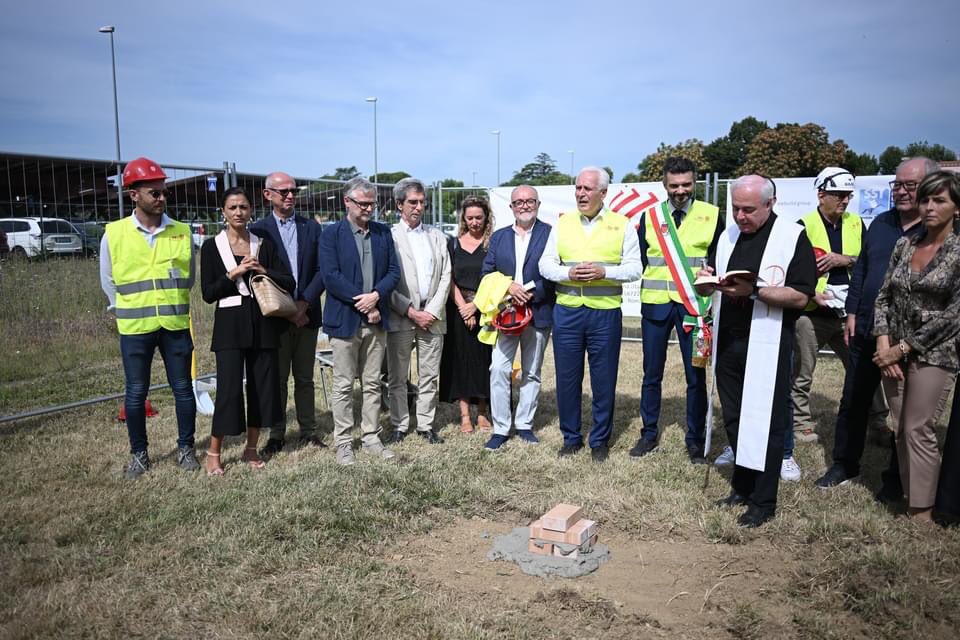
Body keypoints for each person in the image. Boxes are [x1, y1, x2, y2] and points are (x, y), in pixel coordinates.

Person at [696, 175, 816, 528]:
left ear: (770, 204)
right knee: (733, 416)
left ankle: (764, 500)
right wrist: (709, 278)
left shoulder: (791, 237)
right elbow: (719, 279)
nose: (740, 216)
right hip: (728, 339)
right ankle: (742, 486)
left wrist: (753, 291)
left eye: (748, 209)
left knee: (766, 419)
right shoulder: (727, 236)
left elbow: (800, 295)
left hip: (768, 338)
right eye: (735, 208)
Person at [814, 158, 938, 491]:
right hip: (867, 326)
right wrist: (853, 312)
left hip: (910, 334)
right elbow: (864, 271)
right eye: (896, 185)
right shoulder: (881, 223)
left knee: (906, 410)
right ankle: (844, 463)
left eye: (908, 185)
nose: (900, 191)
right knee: (853, 398)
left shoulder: (937, 231)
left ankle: (896, 479)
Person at [99, 156, 198, 479]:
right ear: (133, 195)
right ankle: (139, 455)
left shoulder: (181, 232)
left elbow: (189, 278)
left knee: (183, 389)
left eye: (163, 192)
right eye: (154, 193)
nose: (161, 198)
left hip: (174, 324)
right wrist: (125, 309)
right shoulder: (114, 234)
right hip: (135, 327)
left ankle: (186, 448)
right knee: (136, 393)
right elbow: (108, 281)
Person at [872, 170, 960, 523]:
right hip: (892, 351)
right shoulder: (904, 244)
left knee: (917, 428)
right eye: (925, 199)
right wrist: (883, 345)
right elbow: (883, 297)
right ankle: (912, 497)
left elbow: (953, 316)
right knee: (899, 426)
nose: (929, 207)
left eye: (939, 200)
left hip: (935, 353)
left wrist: (903, 348)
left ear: (957, 208)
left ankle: (922, 512)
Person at [538, 166, 643, 463]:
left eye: (587, 189)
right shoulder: (562, 224)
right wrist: (568, 273)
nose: (581, 194)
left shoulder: (622, 225)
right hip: (568, 313)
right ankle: (571, 438)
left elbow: (636, 268)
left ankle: (599, 441)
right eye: (578, 188)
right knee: (567, 379)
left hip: (605, 315)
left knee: (603, 379)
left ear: (603, 193)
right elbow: (546, 265)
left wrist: (604, 272)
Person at [631, 157, 722, 464]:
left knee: (695, 374)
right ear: (664, 185)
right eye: (674, 185)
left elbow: (718, 260)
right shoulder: (650, 216)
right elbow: (646, 259)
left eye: (686, 184)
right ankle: (648, 433)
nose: (680, 191)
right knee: (650, 374)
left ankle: (695, 439)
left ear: (694, 182)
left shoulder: (712, 215)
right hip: (656, 307)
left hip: (693, 308)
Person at [200, 188, 295, 475]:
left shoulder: (262, 244)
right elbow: (208, 293)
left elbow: (288, 281)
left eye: (243, 206)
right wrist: (234, 274)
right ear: (224, 212)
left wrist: (261, 269)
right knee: (228, 389)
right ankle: (214, 451)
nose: (239, 212)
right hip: (230, 324)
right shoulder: (211, 246)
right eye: (232, 207)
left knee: (261, 387)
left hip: (262, 322)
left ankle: (251, 449)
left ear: (251, 210)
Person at [784, 167, 865, 481]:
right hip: (812, 312)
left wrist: (844, 259)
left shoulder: (857, 224)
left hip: (849, 313)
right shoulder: (803, 225)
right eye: (839, 195)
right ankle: (800, 420)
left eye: (848, 195)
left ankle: (878, 419)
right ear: (822, 194)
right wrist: (815, 293)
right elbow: (795, 268)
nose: (845, 201)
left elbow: (867, 261)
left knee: (860, 369)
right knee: (802, 370)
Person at [318, 177, 400, 465]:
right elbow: (331, 277)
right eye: (362, 203)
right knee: (342, 385)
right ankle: (343, 441)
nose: (368, 208)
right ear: (347, 202)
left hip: (376, 320)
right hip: (345, 321)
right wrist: (365, 303)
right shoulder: (331, 235)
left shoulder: (382, 233)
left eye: (371, 203)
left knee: (373, 383)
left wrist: (376, 295)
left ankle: (371, 436)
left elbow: (393, 272)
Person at [252, 172, 326, 456]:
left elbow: (322, 270)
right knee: (278, 379)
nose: (290, 195)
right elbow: (259, 278)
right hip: (277, 318)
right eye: (283, 191)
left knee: (305, 379)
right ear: (267, 194)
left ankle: (308, 431)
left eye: (293, 190)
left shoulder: (311, 228)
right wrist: (287, 311)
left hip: (306, 316)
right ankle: (277, 433)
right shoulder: (259, 231)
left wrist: (304, 304)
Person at [480, 186, 554, 450]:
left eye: (529, 201)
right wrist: (509, 289)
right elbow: (486, 274)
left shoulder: (550, 234)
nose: (524, 205)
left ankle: (524, 424)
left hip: (539, 312)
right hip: (506, 314)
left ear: (538, 203)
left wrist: (529, 293)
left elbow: (553, 274)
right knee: (498, 369)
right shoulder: (499, 238)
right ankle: (500, 428)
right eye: (519, 202)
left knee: (531, 372)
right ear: (511, 207)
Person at [386, 178, 452, 445]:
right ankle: (400, 424)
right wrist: (411, 311)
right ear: (399, 204)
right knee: (398, 375)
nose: (418, 207)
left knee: (429, 374)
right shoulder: (389, 236)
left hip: (433, 318)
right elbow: (385, 280)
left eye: (422, 202)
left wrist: (432, 311)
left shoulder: (437, 237)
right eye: (413, 202)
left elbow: (446, 275)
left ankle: (425, 424)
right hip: (401, 316)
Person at [438, 196, 494, 433]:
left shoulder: (493, 243)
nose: (474, 222)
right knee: (459, 361)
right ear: (463, 218)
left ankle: (482, 412)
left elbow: (496, 279)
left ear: (486, 217)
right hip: (458, 309)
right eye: (469, 218)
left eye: (478, 217)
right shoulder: (452, 244)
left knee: (484, 362)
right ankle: (464, 416)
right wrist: (463, 308)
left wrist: (477, 306)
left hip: (486, 309)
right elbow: (449, 279)